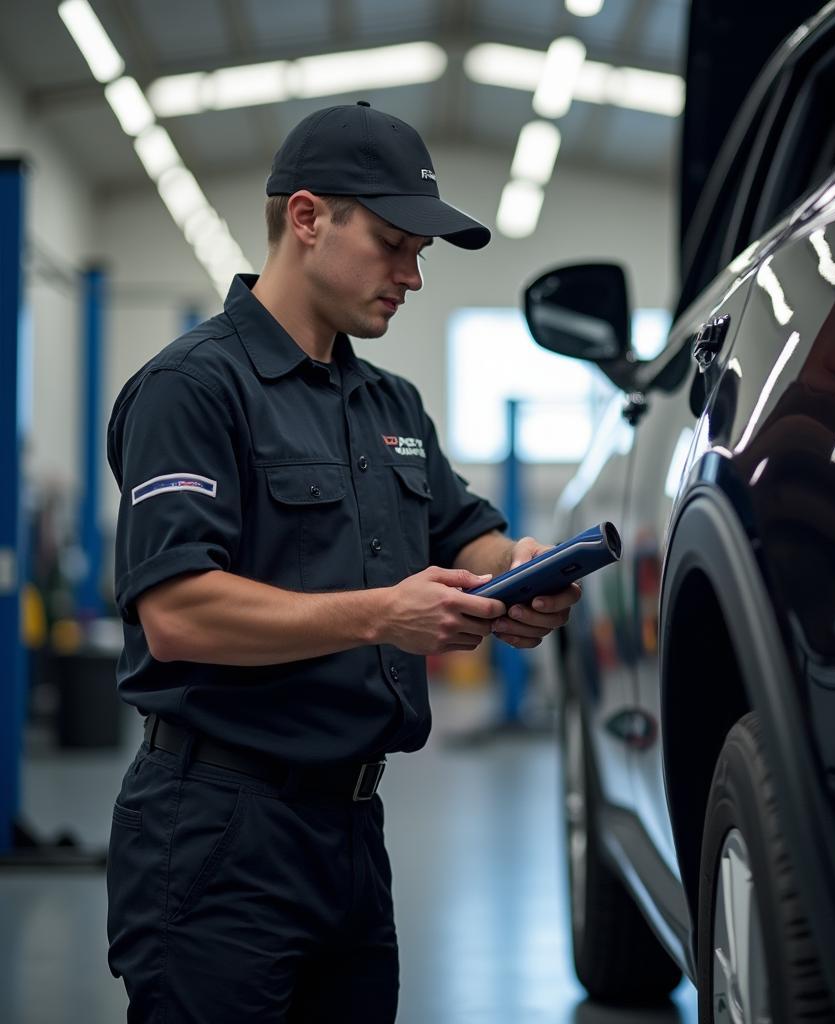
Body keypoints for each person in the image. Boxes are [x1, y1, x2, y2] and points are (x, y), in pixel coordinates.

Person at [104, 101, 580, 1023]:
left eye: (420, 256)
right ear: (308, 217)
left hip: (353, 831)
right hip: (217, 833)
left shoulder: (389, 401)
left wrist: (519, 571)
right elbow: (176, 612)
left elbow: (464, 531)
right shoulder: (192, 388)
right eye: (394, 244)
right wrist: (379, 615)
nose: (411, 277)